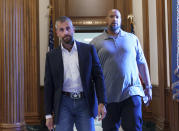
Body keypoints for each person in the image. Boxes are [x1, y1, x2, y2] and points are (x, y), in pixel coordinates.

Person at [90, 9, 152, 131]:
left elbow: (142, 64)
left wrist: (148, 87)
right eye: (111, 16)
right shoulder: (95, 42)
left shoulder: (132, 39)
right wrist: (96, 99)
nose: (114, 19)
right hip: (108, 96)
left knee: (134, 128)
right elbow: (92, 72)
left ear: (121, 20)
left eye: (117, 17)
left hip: (131, 92)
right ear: (106, 19)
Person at [44, 16, 107, 131]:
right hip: (63, 104)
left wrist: (102, 102)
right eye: (62, 30)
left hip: (85, 103)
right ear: (57, 33)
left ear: (73, 29)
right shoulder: (51, 56)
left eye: (68, 28)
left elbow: (98, 77)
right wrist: (48, 114)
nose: (66, 32)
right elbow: (48, 86)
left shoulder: (88, 50)